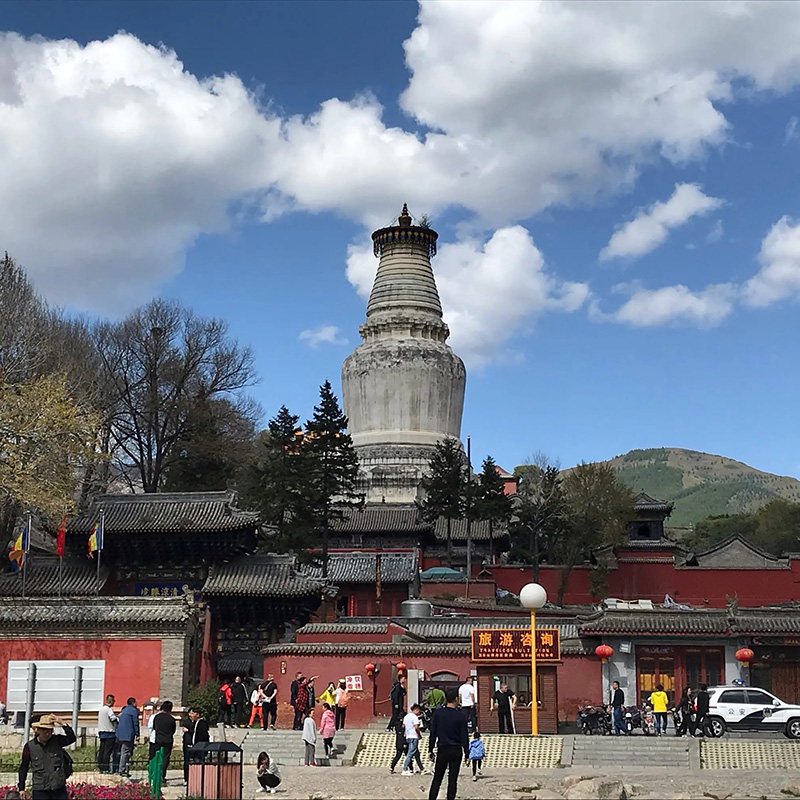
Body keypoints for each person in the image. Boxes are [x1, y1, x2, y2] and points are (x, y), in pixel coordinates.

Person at [18, 714, 76, 800]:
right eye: (45, 730)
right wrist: (21, 788)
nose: (48, 733)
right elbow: (24, 767)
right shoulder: (30, 746)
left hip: (58, 788)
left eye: (50, 730)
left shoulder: (57, 741)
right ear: (38, 731)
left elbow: (72, 738)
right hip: (40, 790)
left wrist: (63, 723)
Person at [427, 686, 469, 800]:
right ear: (456, 698)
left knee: (437, 778)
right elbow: (464, 736)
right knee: (453, 779)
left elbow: (433, 734)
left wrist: (430, 750)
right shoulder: (461, 716)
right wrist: (467, 753)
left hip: (442, 749)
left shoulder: (438, 714)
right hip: (456, 750)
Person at [182, 706, 210, 786]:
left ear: (197, 714)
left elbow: (203, 736)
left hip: (199, 747)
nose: (191, 715)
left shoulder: (202, 723)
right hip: (193, 746)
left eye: (193, 713)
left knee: (198, 763)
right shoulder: (191, 722)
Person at [150, 699, 176, 783]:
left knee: (156, 757)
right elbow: (173, 730)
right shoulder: (171, 719)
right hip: (168, 740)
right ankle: (162, 775)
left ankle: (155, 774)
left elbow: (154, 727)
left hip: (158, 739)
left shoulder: (157, 717)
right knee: (165, 758)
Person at [116, 698, 140, 778]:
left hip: (120, 734)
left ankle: (119, 768)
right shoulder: (133, 711)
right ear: (133, 703)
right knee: (125, 752)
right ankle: (122, 770)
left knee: (121, 751)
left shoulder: (125, 710)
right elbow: (135, 723)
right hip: (128, 734)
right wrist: (137, 734)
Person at [401, 704, 426, 776]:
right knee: (410, 753)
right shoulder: (415, 717)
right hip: (413, 736)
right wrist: (419, 735)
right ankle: (405, 769)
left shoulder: (406, 716)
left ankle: (422, 768)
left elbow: (403, 726)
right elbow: (416, 727)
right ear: (416, 710)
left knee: (416, 753)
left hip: (408, 736)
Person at [97, 694, 118, 774]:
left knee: (101, 750)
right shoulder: (109, 710)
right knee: (107, 751)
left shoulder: (101, 709)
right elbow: (113, 718)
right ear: (111, 701)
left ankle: (100, 765)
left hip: (102, 732)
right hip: (109, 733)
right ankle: (106, 767)